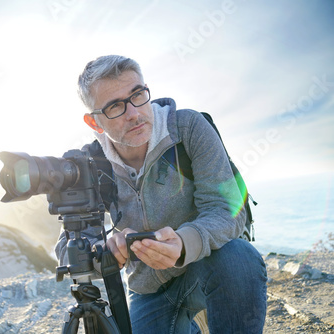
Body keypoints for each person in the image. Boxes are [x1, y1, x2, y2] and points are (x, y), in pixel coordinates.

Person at [55, 55, 268, 333]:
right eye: (115, 106)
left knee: (240, 256)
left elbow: (228, 207)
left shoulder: (188, 127)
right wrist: (103, 253)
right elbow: (67, 246)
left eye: (137, 95)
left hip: (210, 265)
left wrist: (183, 242)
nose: (133, 113)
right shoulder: (89, 164)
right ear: (95, 123)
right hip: (149, 289)